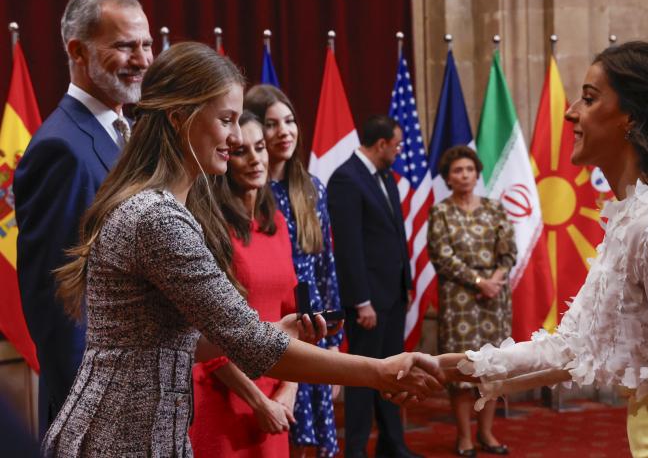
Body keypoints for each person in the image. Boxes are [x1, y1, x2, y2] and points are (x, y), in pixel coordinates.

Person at [41, 42, 443, 457]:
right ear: (180, 119)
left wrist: (275, 331)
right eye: (227, 121)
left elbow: (168, 341)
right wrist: (382, 371)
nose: (236, 139)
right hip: (121, 439)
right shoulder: (157, 218)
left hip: (136, 433)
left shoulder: (161, 207)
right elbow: (252, 346)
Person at [441, 41, 648, 457]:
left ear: (631, 117)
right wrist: (451, 366)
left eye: (590, 99)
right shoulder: (635, 215)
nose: (570, 111)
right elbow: (573, 346)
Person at [14, 0, 152, 432]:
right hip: (99, 413)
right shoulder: (61, 148)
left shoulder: (124, 131)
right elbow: (58, 301)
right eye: (125, 46)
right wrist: (93, 415)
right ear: (78, 50)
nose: (144, 59)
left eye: (146, 44)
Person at [189, 113, 298, 457]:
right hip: (224, 395)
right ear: (224, 159)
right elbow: (205, 327)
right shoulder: (209, 226)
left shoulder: (276, 221)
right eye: (240, 151)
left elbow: (291, 314)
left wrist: (288, 390)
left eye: (260, 147)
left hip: (276, 395)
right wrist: (259, 401)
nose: (254, 159)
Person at [245, 84, 343, 457]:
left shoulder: (311, 187)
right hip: (270, 315)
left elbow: (325, 265)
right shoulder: (248, 190)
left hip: (312, 321)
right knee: (278, 429)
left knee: (314, 435)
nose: (283, 131)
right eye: (271, 124)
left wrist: (333, 342)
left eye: (289, 121)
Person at [327, 115, 421, 458]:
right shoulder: (345, 179)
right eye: (395, 145)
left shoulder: (386, 177)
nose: (398, 151)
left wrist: (406, 284)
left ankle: (392, 444)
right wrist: (361, 301)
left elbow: (397, 234)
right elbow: (348, 247)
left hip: (393, 295)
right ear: (380, 144)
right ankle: (355, 450)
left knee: (394, 374)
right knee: (364, 378)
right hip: (368, 301)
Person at [427, 145, 517, 456]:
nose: (464, 175)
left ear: (477, 174)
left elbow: (509, 251)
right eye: (457, 171)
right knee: (463, 369)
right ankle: (464, 436)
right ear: (448, 178)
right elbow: (441, 255)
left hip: (495, 299)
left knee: (492, 368)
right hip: (458, 298)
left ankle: (487, 433)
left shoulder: (495, 208)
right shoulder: (441, 211)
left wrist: (494, 280)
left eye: (469, 170)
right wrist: (478, 281)